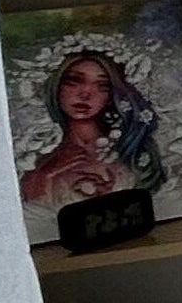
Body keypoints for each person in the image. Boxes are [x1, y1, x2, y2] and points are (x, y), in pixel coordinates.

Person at [19, 46, 164, 213]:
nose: (85, 94)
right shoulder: (37, 158)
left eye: (102, 86)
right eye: (74, 81)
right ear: (56, 86)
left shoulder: (131, 151)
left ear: (111, 97)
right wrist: (45, 175)